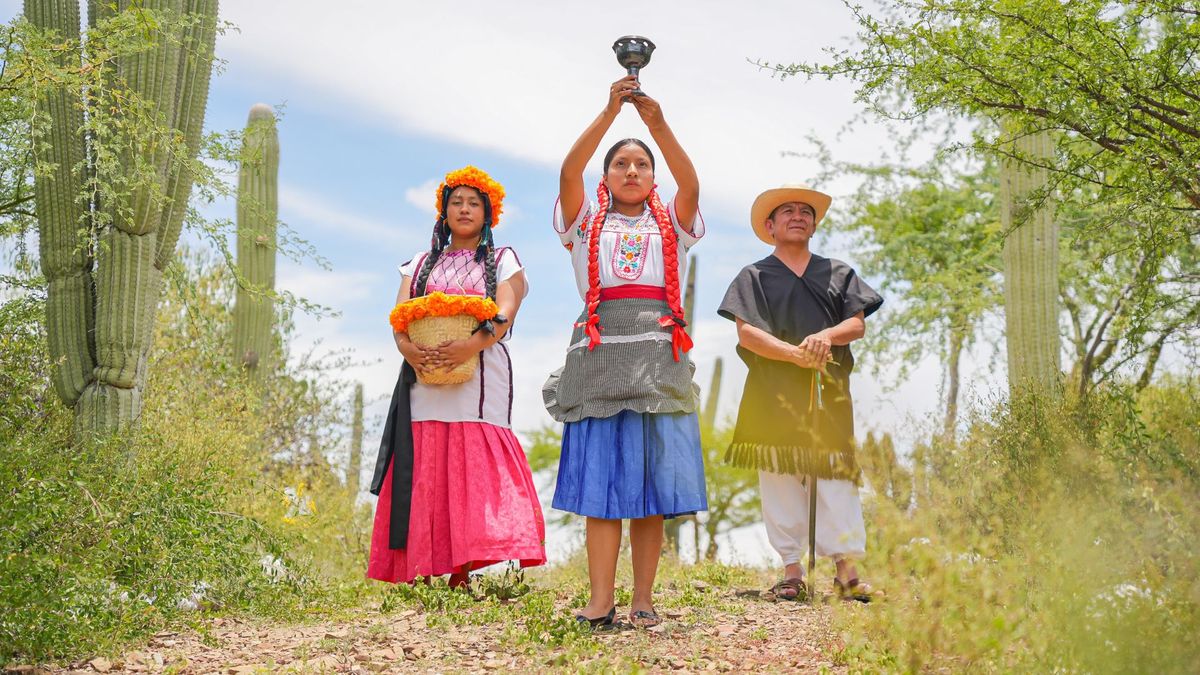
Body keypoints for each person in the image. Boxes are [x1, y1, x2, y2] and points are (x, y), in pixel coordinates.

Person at [543, 75, 708, 629]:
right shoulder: (586, 223)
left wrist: (656, 124)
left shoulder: (674, 226)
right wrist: (610, 113)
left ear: (652, 176)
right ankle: (598, 600)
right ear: (606, 176)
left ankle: (642, 599)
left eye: (641, 164)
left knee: (653, 488)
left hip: (657, 359)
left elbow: (691, 183)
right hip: (597, 359)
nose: (632, 170)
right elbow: (569, 171)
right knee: (600, 485)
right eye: (620, 164)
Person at [367, 166, 546, 588]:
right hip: (424, 375)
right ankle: (421, 567)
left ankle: (465, 569)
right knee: (424, 464)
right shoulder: (419, 263)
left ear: (489, 212)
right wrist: (410, 350)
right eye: (456, 202)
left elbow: (505, 311)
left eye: (474, 203)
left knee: (472, 460)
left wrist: (470, 345)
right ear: (443, 212)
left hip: (480, 377)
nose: (464, 209)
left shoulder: (504, 260)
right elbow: (399, 318)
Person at [717, 185, 883, 602]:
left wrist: (822, 338)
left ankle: (846, 571)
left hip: (828, 389)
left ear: (814, 223)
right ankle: (791, 570)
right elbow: (747, 333)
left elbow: (857, 324)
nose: (797, 216)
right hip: (771, 392)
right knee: (778, 475)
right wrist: (794, 355)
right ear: (770, 227)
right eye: (786, 211)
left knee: (835, 476)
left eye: (805, 211)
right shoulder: (753, 276)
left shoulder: (838, 272)